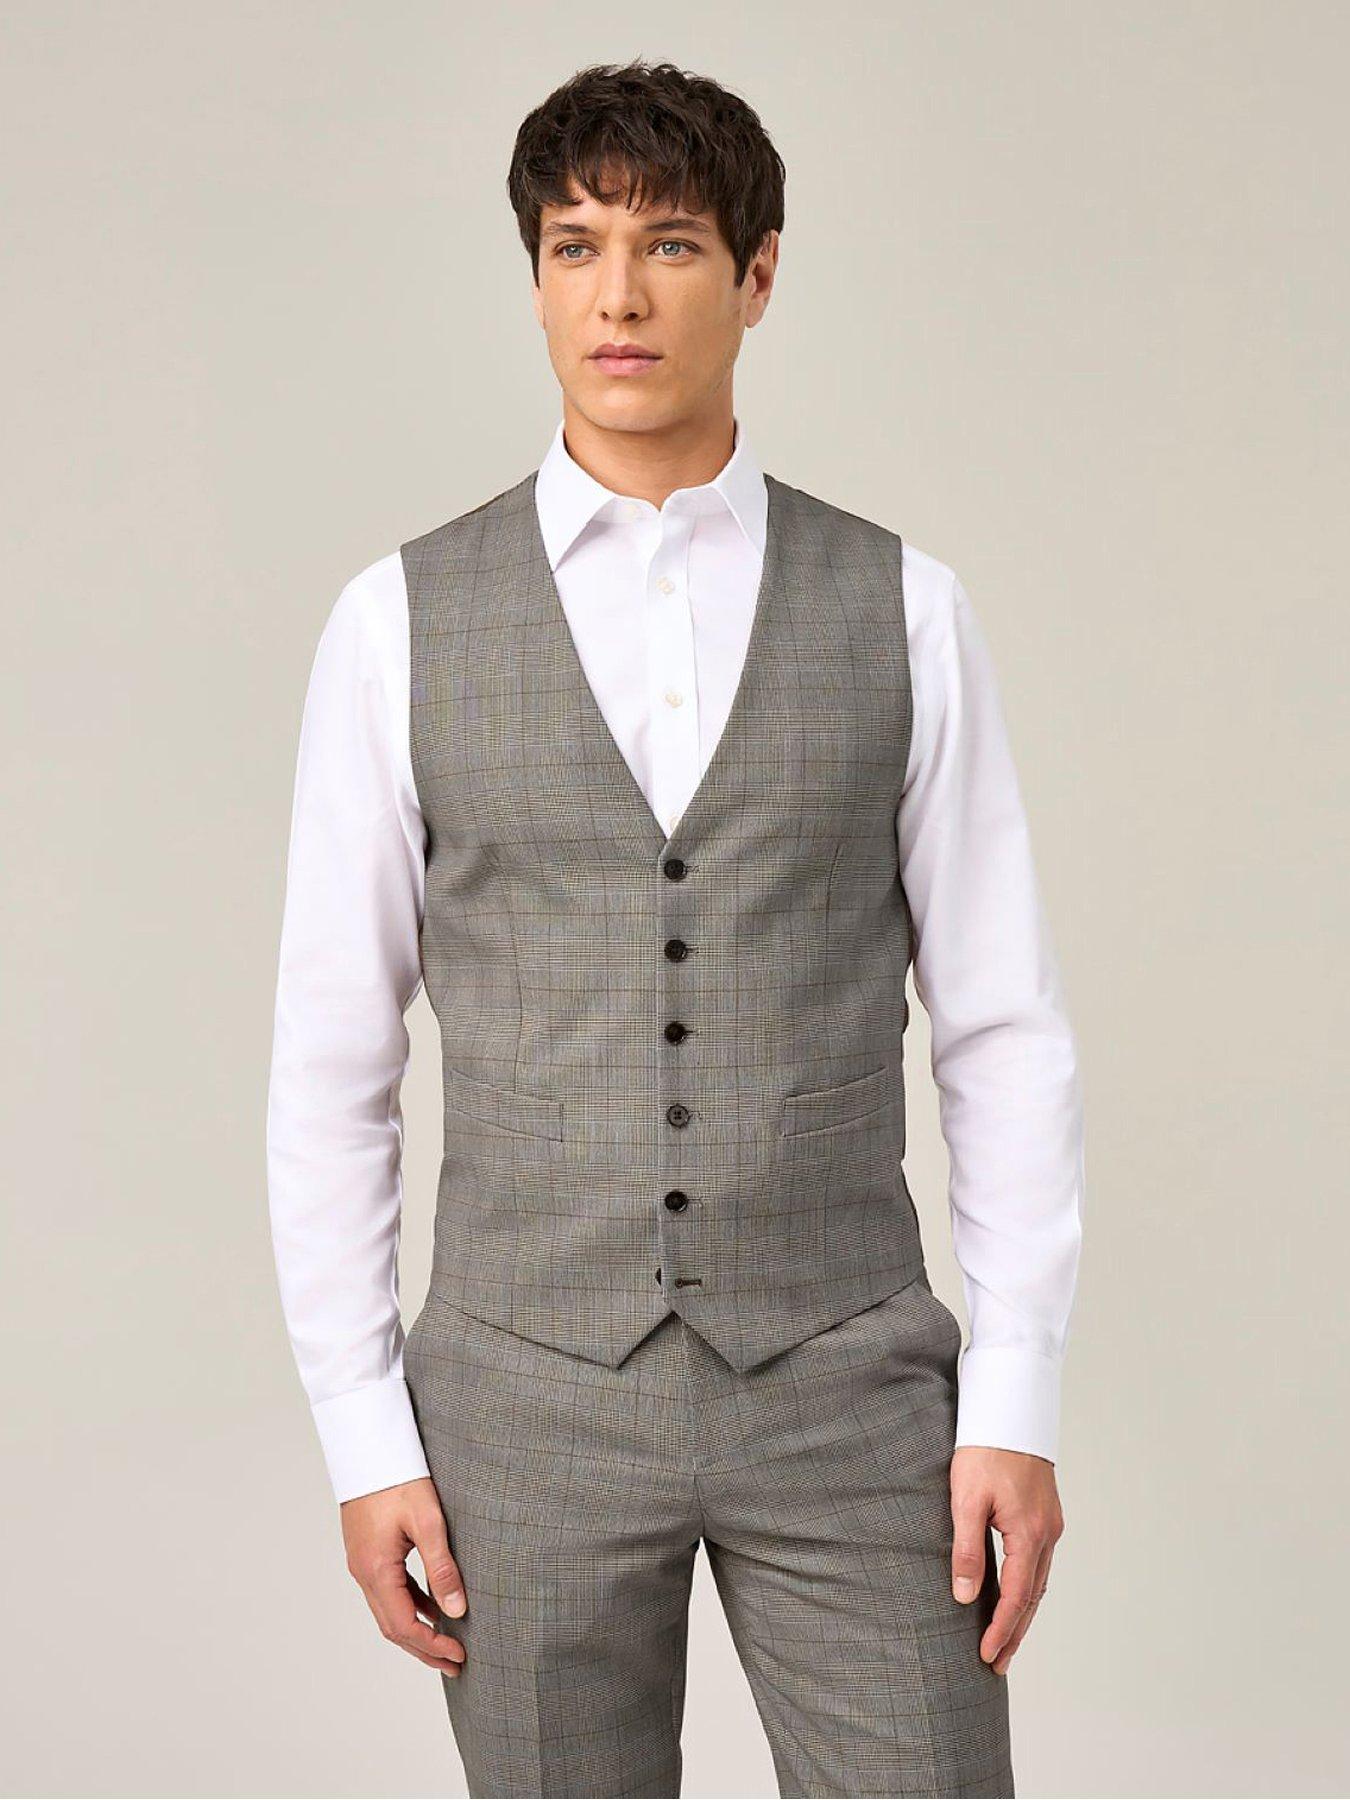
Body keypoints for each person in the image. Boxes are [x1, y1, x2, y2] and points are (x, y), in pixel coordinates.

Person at [267, 57, 1084, 1799]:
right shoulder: (396, 622)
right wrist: (362, 1435)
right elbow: (333, 1064)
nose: (618, 296)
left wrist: (1012, 1400)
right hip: (520, 1398)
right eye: (574, 247)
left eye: (671, 245)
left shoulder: (904, 608)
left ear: (758, 275)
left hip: (846, 1380)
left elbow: (1001, 1030)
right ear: (534, 278)